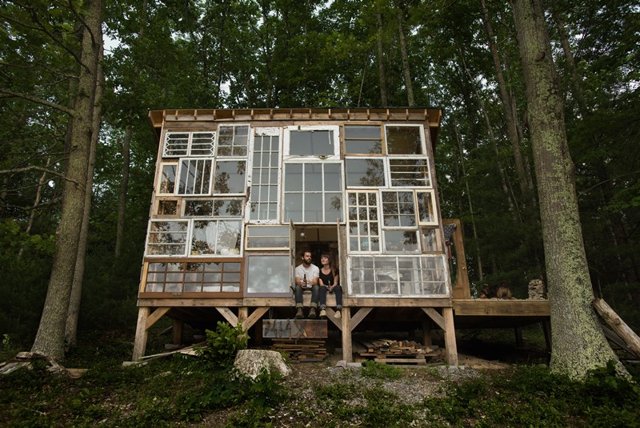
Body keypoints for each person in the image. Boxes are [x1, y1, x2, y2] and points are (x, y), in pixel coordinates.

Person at [293, 250, 320, 319]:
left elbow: (315, 282)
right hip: (302, 286)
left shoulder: (315, 268)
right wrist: (302, 282)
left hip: (312, 287)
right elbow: (297, 281)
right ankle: (299, 310)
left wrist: (304, 281)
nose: (309, 258)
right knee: (297, 287)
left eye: (310, 256)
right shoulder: (298, 269)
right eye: (307, 256)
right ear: (302, 258)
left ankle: (313, 309)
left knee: (316, 287)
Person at [318, 253, 343, 319]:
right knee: (321, 288)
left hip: (333, 286)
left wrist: (331, 287)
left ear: (329, 260)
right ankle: (323, 310)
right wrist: (327, 287)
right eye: (322, 258)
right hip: (324, 287)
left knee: (338, 287)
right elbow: (321, 283)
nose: (323, 259)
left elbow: (335, 282)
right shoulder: (319, 271)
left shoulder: (334, 270)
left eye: (325, 258)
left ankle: (338, 310)